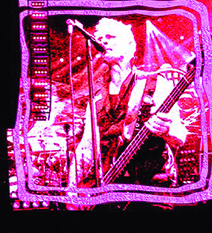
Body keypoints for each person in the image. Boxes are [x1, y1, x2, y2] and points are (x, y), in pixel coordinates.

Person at [72, 18, 188, 188]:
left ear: (130, 45)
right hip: (110, 184)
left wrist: (166, 130)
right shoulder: (95, 94)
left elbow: (180, 137)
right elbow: (87, 146)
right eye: (101, 37)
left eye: (111, 36)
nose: (103, 41)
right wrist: (72, 188)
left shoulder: (155, 84)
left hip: (151, 186)